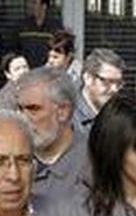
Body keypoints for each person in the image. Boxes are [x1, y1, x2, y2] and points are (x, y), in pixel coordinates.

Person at [14, 67, 90, 203]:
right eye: (20, 109)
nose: (22, 118)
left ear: (63, 111)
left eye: (33, 109)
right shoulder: (7, 157)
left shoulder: (95, 164)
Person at [12, 0, 65, 68]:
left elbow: (61, 50)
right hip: (27, 72)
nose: (30, 6)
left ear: (44, 6)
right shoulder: (22, 26)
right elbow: (14, 49)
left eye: (34, 3)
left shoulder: (55, 27)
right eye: (29, 3)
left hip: (48, 72)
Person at [75, 47, 125, 129]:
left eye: (118, 83)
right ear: (88, 78)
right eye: (108, 81)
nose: (115, 89)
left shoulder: (122, 117)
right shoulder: (66, 119)